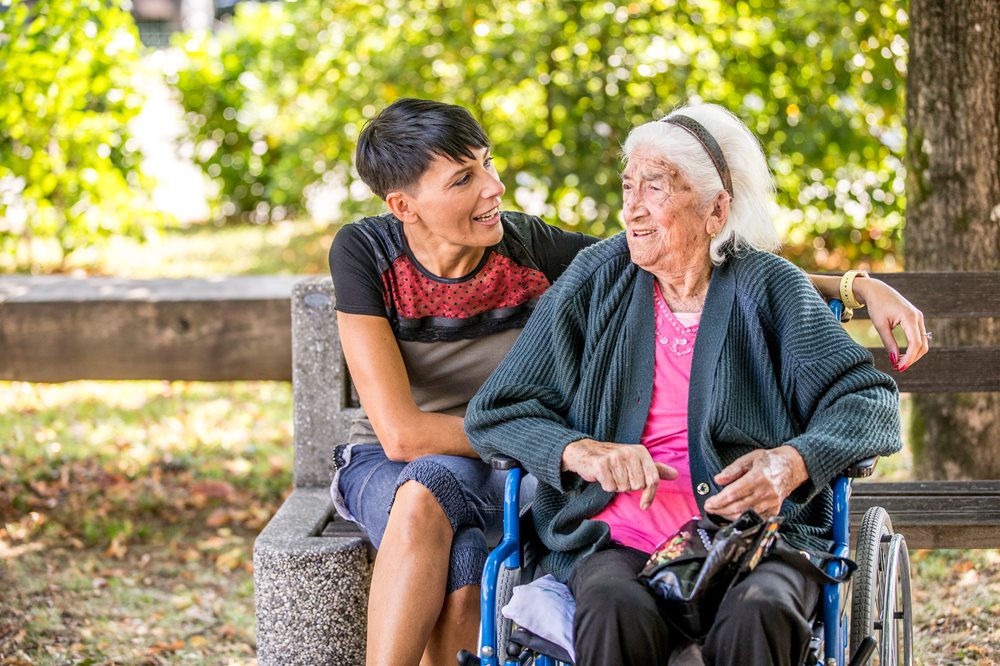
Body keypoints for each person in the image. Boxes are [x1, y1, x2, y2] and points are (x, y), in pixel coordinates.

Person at [328, 98, 925, 665]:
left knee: (760, 611)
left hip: (756, 535)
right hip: (618, 534)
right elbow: (495, 411)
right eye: (628, 186)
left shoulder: (768, 286)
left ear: (717, 209)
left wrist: (792, 462)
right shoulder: (601, 276)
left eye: (656, 187)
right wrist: (575, 449)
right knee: (611, 607)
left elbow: (868, 401)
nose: (632, 208)